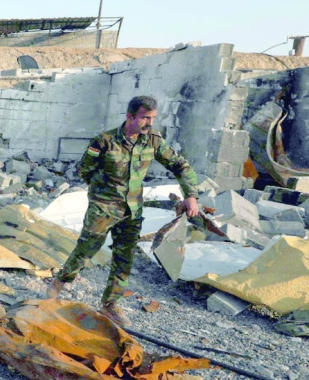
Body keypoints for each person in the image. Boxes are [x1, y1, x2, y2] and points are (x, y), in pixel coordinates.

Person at [46, 95, 200, 326]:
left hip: (133, 209)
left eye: (153, 118)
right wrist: (102, 193)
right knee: (86, 249)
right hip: (103, 206)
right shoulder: (104, 141)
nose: (150, 123)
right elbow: (85, 171)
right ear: (130, 116)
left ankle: (110, 305)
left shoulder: (153, 140)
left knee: (124, 257)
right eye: (145, 118)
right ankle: (61, 281)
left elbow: (179, 165)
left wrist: (191, 196)